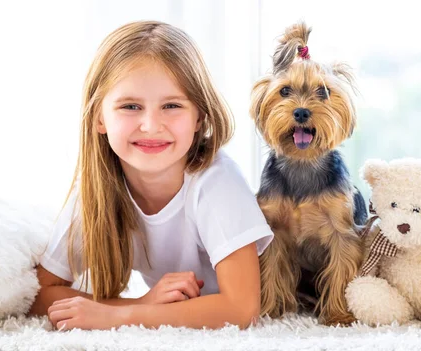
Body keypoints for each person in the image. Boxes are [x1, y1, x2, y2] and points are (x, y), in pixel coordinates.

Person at [29, 20, 273, 331]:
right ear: (98, 118)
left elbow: (241, 308)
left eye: (171, 105)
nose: (151, 125)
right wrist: (140, 304)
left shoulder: (216, 181)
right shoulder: (96, 189)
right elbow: (40, 295)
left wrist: (121, 317)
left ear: (200, 116)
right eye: (130, 106)